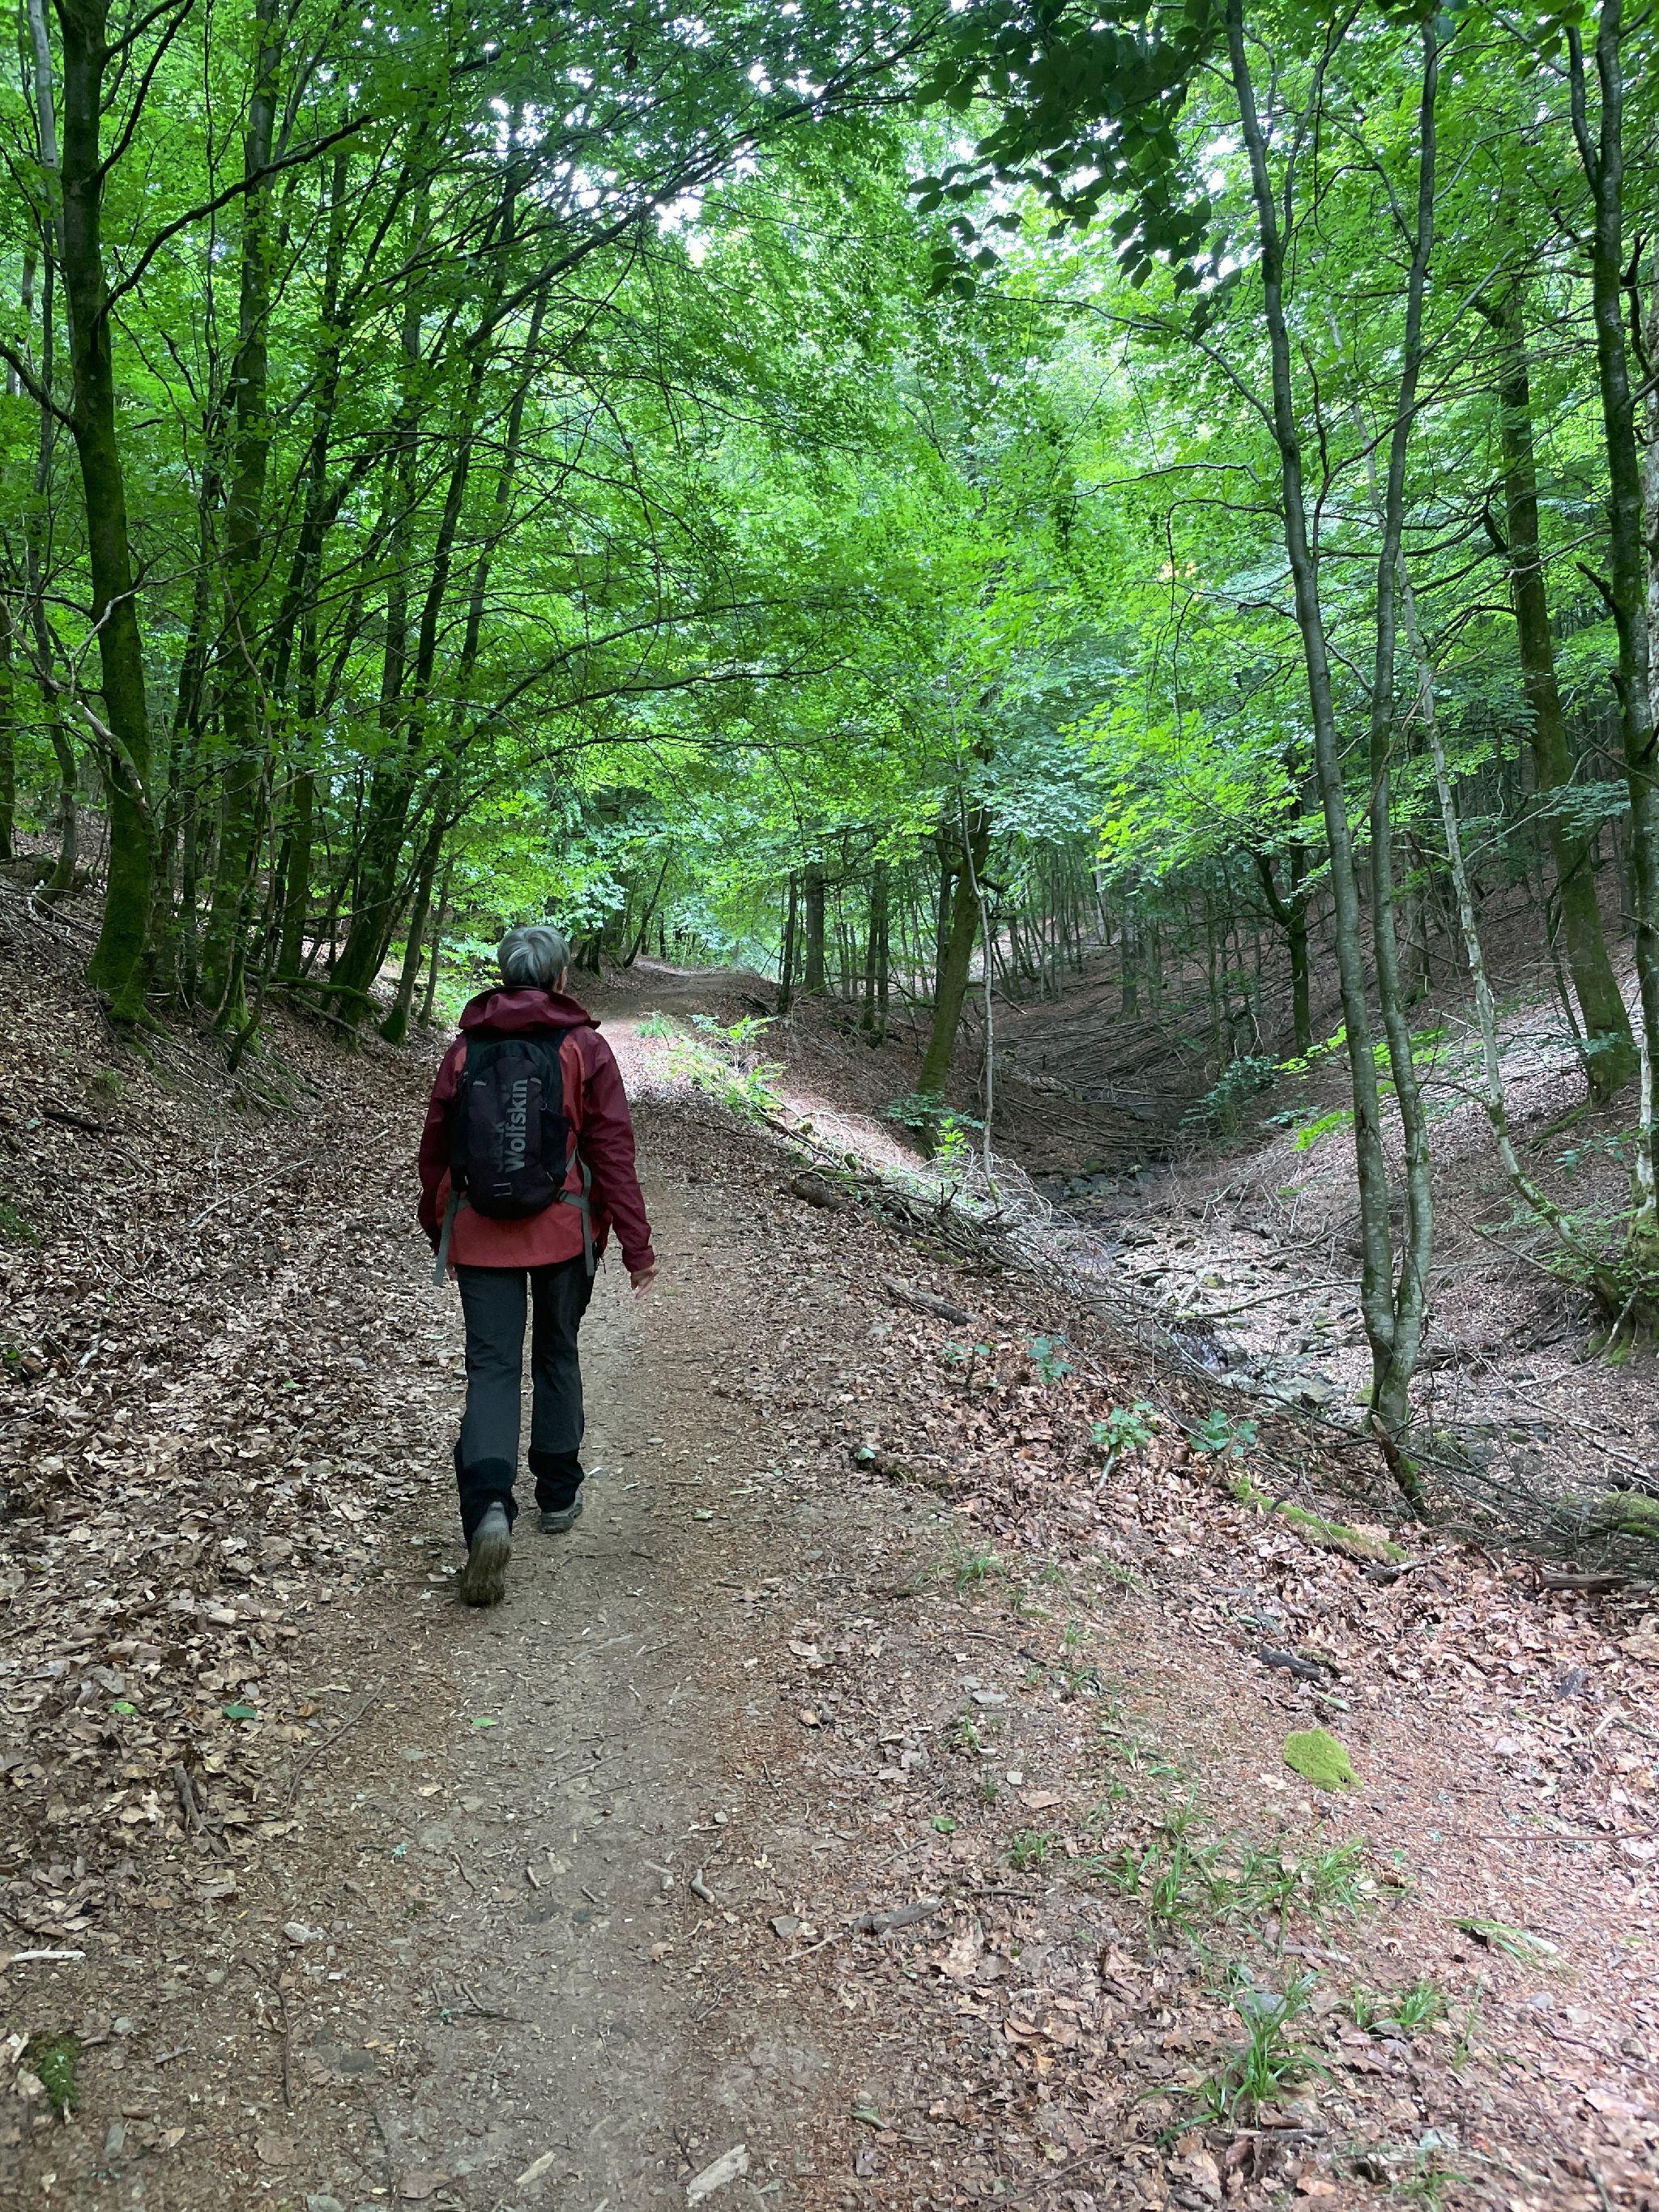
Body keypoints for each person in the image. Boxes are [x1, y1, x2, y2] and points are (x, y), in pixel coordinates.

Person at [417, 925, 655, 1605]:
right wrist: (636, 1246)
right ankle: (556, 1494)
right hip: (564, 1233)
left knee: (492, 1368)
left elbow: (437, 1148)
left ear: (504, 973)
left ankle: (490, 1508)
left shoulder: (466, 1049)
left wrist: (441, 1229)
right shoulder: (584, 1047)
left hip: (481, 1232)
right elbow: (613, 1151)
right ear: (559, 978)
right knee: (557, 1352)